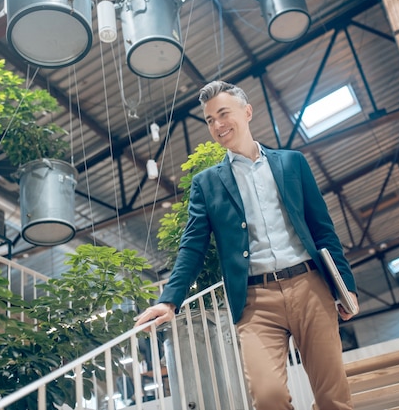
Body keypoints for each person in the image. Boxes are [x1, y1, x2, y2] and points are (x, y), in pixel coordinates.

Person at [135, 80, 358, 410]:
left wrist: (345, 286)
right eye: (210, 120)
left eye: (223, 114)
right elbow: (192, 247)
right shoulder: (206, 184)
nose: (218, 125)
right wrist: (170, 301)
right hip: (255, 302)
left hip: (310, 287)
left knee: (333, 397)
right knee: (268, 398)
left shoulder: (292, 163)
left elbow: (323, 231)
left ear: (247, 112)